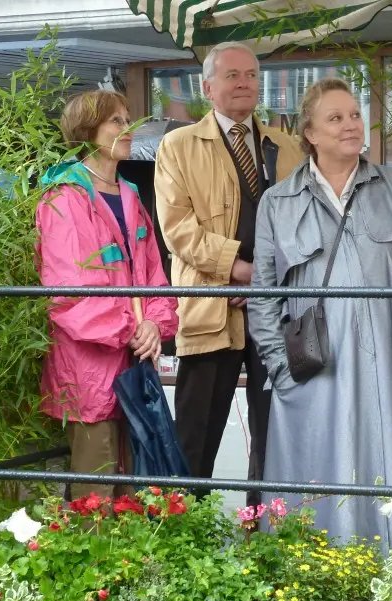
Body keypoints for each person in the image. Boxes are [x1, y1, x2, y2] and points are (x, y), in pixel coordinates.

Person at [248, 78, 392, 552]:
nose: (350, 125)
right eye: (336, 118)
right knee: (322, 482)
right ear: (310, 134)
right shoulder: (277, 202)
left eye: (355, 115)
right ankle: (321, 577)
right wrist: (281, 368)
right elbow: (263, 296)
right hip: (317, 372)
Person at [154, 42, 303, 506]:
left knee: (275, 436)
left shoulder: (287, 147)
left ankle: (269, 532)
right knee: (195, 436)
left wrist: (264, 282)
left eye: (252, 75)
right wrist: (238, 271)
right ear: (207, 87)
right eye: (232, 75)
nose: (244, 83)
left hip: (275, 311)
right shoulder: (178, 145)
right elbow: (178, 230)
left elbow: (304, 227)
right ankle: (183, 536)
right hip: (210, 306)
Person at [37, 89, 179, 499]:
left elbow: (156, 278)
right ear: (88, 131)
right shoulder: (64, 197)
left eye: (128, 119)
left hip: (135, 364)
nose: (128, 128)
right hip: (89, 371)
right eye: (116, 121)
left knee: (138, 492)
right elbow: (67, 294)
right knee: (95, 497)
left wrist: (155, 324)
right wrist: (134, 329)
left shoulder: (130, 194)